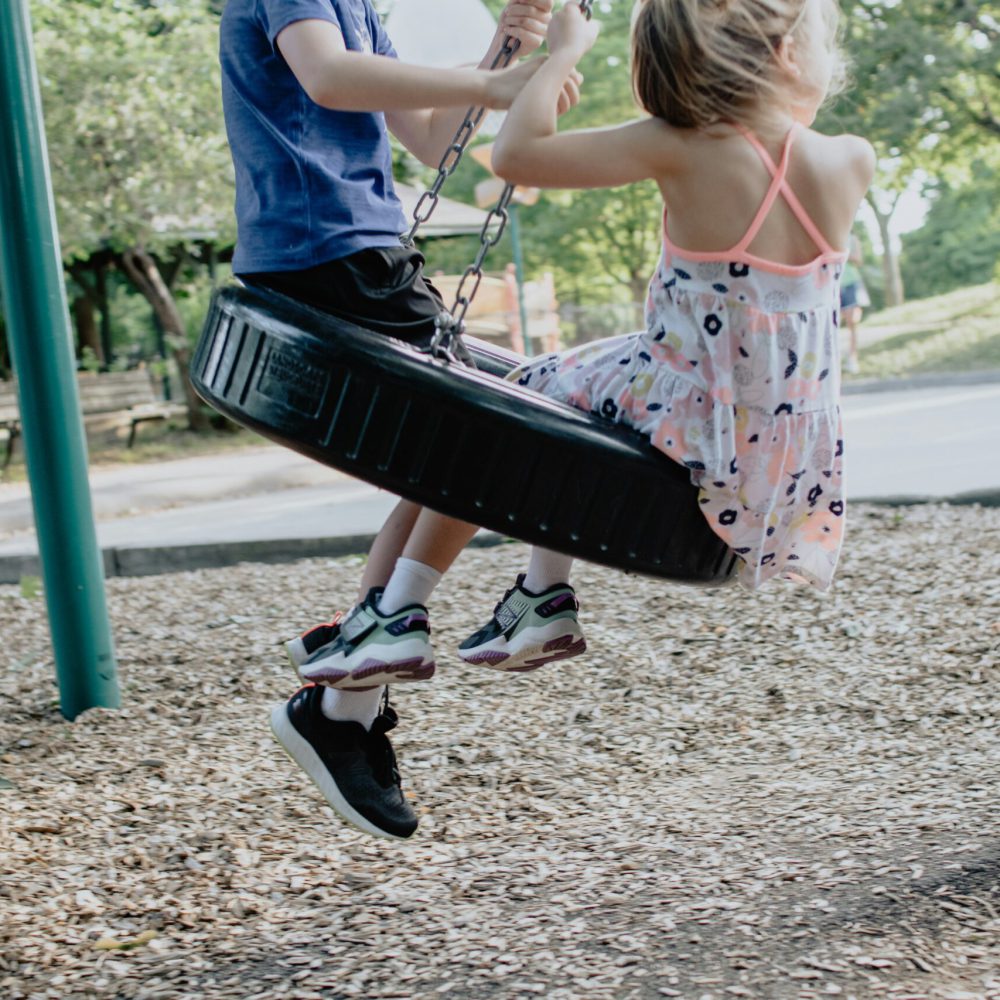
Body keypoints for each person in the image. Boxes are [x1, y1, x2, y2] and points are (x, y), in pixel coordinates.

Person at [292, 0, 876, 837]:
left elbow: (515, 154)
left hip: (686, 411)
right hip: (779, 468)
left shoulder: (678, 145)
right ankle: (537, 594)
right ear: (785, 53)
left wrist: (563, 53)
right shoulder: (848, 160)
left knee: (517, 405)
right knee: (569, 404)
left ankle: (413, 605)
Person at [219, 0, 582, 841]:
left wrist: (513, 49)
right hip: (327, 254)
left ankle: (348, 704)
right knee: (495, 435)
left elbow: (429, 141)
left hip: (362, 253)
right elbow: (327, 76)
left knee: (454, 461)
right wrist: (495, 80)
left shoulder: (361, 9)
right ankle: (359, 695)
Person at [839, 233, 869, 373]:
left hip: (850, 283)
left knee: (853, 322)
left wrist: (841, 253)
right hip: (831, 283)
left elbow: (858, 259)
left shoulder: (852, 238)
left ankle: (852, 357)